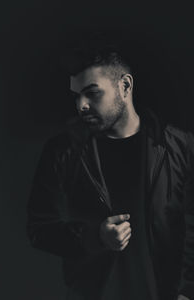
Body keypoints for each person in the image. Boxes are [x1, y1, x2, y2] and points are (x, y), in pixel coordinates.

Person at [26, 37, 194, 300]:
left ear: (125, 86)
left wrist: (187, 291)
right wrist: (95, 237)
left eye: (92, 93)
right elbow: (39, 229)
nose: (81, 105)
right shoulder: (62, 151)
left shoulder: (179, 146)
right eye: (77, 95)